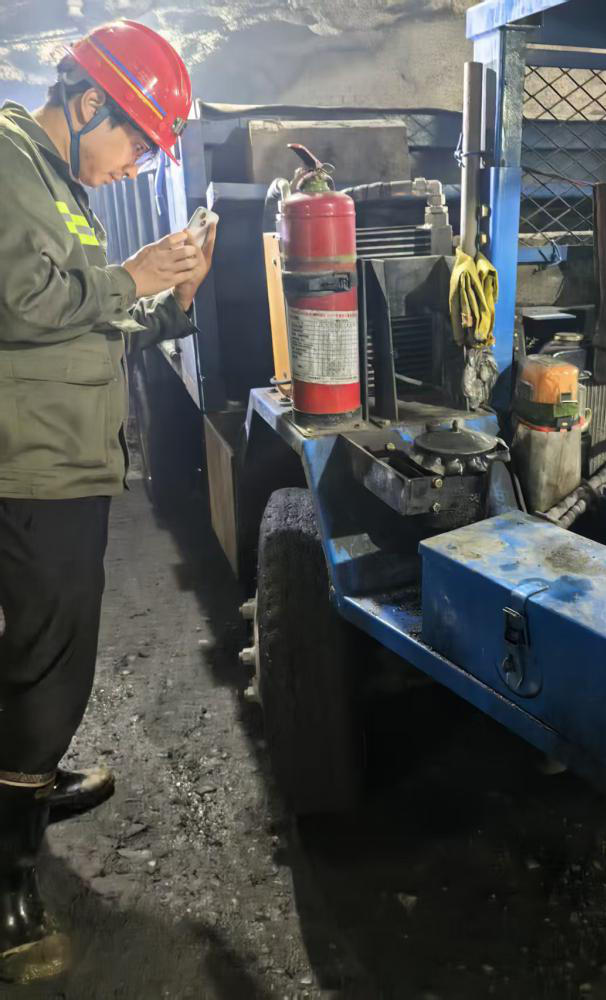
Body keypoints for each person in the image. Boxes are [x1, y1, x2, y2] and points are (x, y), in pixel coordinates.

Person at [0, 20, 216, 983]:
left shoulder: (61, 186)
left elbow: (86, 315)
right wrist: (133, 272)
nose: (136, 166)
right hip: (32, 465)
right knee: (47, 666)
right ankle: (8, 885)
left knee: (42, 652)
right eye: (136, 140)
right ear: (88, 101)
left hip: (68, 458)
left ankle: (30, 780)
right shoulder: (7, 157)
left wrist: (170, 299)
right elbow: (19, 300)